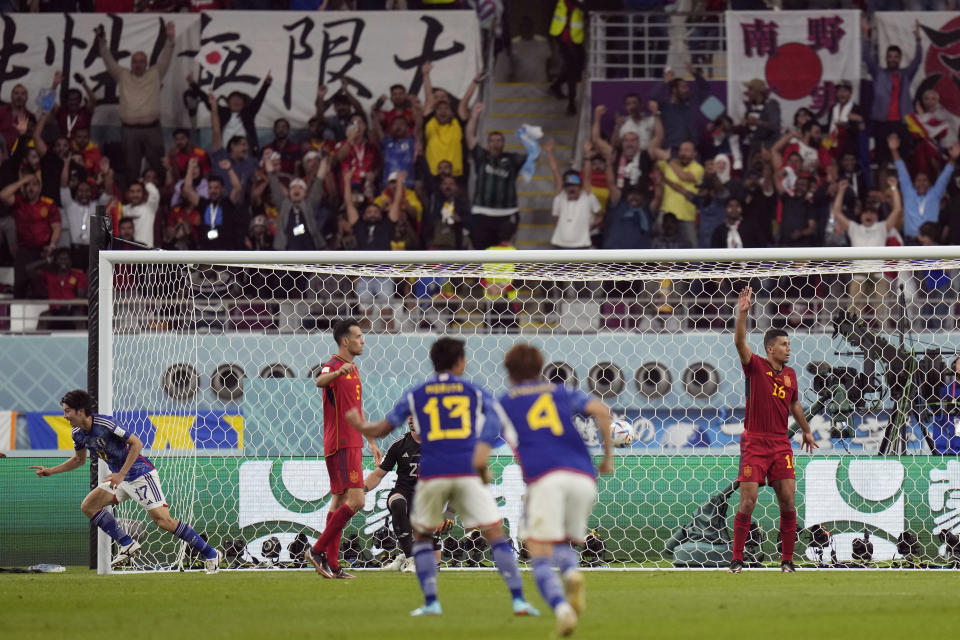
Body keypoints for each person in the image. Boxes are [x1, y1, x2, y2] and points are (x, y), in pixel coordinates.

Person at [345, 337, 539, 617]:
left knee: (422, 539)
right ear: (461, 361)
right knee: (495, 534)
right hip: (465, 471)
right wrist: (482, 453)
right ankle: (519, 600)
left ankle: (431, 602)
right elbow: (496, 420)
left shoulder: (418, 393)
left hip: (432, 475)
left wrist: (361, 425)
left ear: (433, 362)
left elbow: (383, 427)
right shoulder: (472, 390)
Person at [477, 343, 613, 636]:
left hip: (545, 480)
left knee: (537, 553)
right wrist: (608, 458)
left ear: (508, 372)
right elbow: (602, 411)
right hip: (583, 478)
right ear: (541, 368)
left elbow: (479, 456)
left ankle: (563, 610)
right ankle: (572, 572)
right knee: (562, 545)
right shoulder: (560, 392)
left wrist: (483, 474)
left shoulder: (504, 402)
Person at [30, 389, 221, 572]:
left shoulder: (106, 424)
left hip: (140, 474)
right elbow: (79, 460)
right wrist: (51, 471)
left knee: (164, 522)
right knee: (88, 506)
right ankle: (128, 543)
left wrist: (121, 474)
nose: (65, 416)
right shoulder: (77, 433)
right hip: (118, 478)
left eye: (67, 411)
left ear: (80, 411)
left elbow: (136, 443)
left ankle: (211, 554)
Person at [729, 287, 817, 574]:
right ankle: (737, 559)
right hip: (754, 441)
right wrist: (742, 313)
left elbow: (795, 405)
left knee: (788, 500)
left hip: (781, 443)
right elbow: (739, 341)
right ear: (770, 348)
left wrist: (806, 430)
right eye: (784, 344)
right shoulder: (754, 366)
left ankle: (787, 561)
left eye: (789, 344)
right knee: (748, 500)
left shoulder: (790, 375)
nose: (788, 348)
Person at [304, 318, 383, 580]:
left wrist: (370, 440)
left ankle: (334, 565)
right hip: (341, 443)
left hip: (353, 441)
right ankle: (317, 550)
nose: (363, 340)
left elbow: (355, 410)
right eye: (359, 336)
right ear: (345, 341)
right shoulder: (335, 364)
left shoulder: (355, 369)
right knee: (357, 500)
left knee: (338, 501)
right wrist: (338, 372)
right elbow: (319, 380)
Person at [96, 21, 174, 184]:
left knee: (157, 166)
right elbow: (108, 60)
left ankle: (159, 200)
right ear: (131, 63)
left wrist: (170, 39)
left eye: (141, 61)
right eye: (135, 61)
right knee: (131, 168)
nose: (138, 64)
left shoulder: (155, 73)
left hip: (152, 129)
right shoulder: (122, 75)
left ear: (146, 64)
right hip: (129, 130)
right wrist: (102, 42)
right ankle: (132, 200)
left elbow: (166, 57)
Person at [363, 421, 422, 573]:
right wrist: (361, 490)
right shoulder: (399, 444)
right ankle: (411, 560)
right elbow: (378, 474)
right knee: (398, 503)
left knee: (434, 562)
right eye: (409, 415)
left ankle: (402, 557)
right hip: (403, 491)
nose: (410, 419)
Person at [466, 103, 527, 250]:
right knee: (481, 254)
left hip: (507, 213)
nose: (495, 144)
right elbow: (469, 136)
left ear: (503, 144)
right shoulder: (482, 157)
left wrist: (528, 137)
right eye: (492, 141)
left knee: (504, 253)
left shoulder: (512, 159)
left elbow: (533, 156)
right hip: (481, 212)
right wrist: (474, 116)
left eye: (499, 141)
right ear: (488, 144)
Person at [890, 133, 958, 244]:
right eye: (918, 180)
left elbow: (945, 175)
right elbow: (901, 169)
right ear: (913, 183)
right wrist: (894, 150)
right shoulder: (908, 192)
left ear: (930, 184)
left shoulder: (935, 194)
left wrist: (953, 158)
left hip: (930, 242)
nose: (921, 183)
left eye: (924, 180)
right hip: (910, 243)